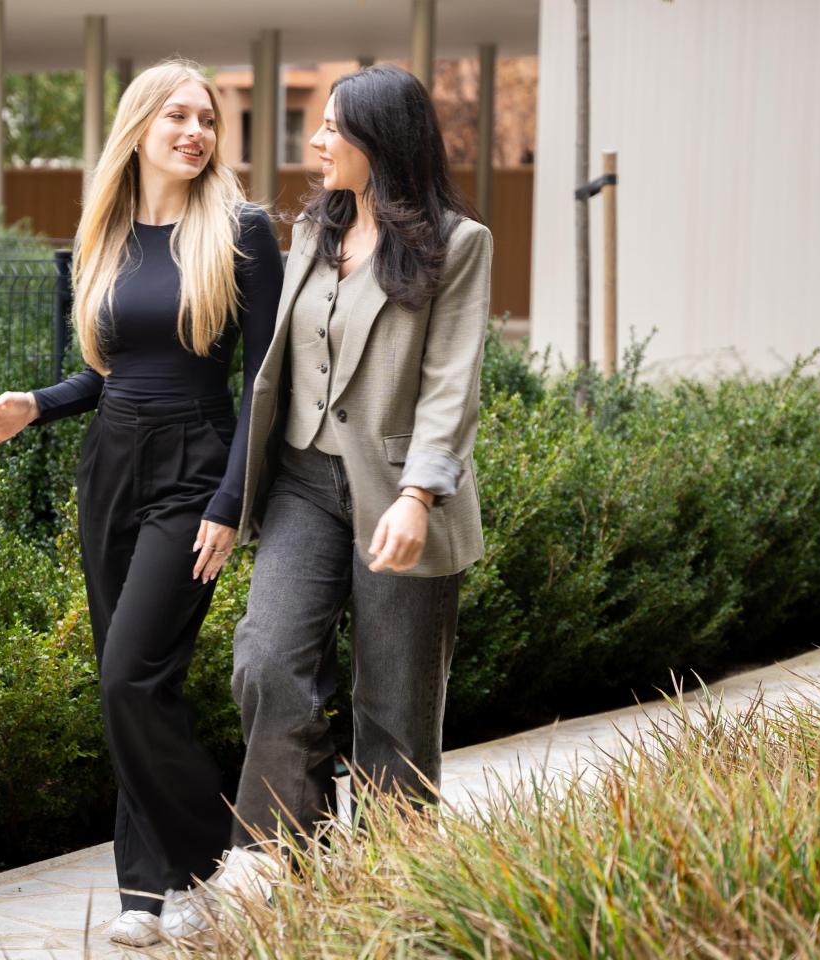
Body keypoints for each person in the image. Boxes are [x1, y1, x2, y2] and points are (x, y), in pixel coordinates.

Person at [0, 59, 281, 948]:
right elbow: (106, 375)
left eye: (206, 118)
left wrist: (230, 499)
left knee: (127, 675)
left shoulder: (243, 232)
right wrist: (36, 404)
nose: (195, 131)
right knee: (135, 689)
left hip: (195, 467)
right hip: (110, 468)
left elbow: (262, 382)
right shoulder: (102, 237)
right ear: (138, 128)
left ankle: (225, 862)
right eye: (176, 115)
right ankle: (147, 891)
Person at [199, 62, 494, 922]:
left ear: (380, 141)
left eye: (333, 128)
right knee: (266, 659)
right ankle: (282, 848)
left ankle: (396, 886)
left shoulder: (456, 242)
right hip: (301, 479)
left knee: (394, 705)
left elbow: (451, 383)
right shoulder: (311, 233)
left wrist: (418, 494)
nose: (317, 143)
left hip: (401, 494)